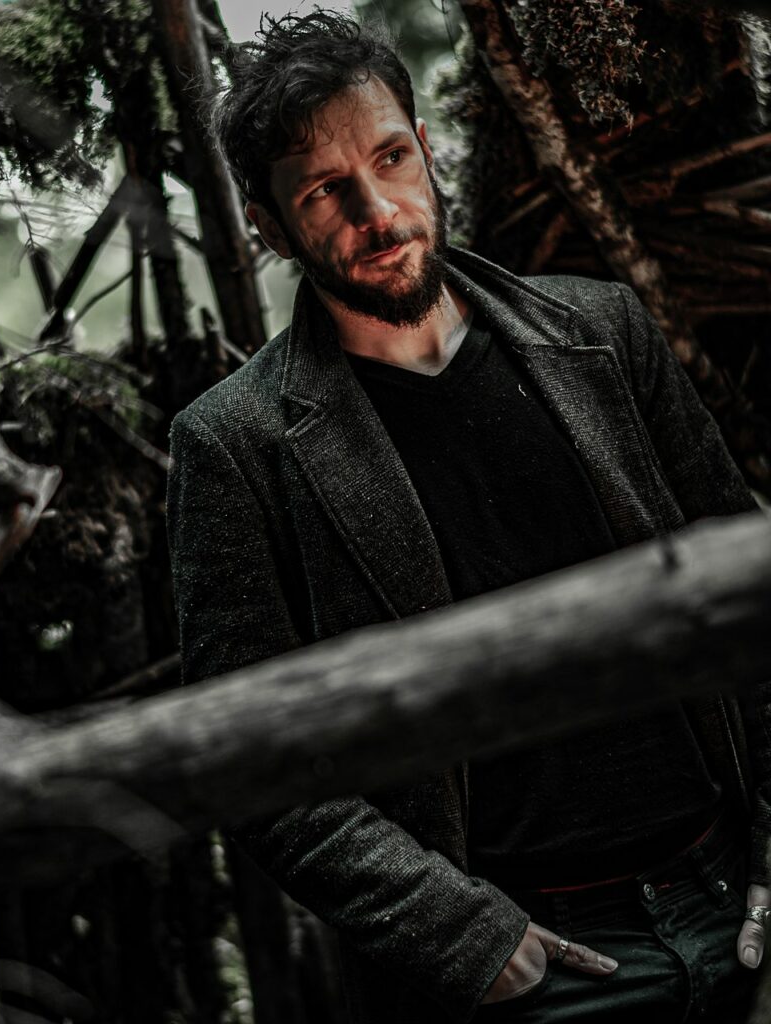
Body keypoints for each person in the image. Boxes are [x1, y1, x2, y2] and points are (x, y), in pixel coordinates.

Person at [165, 11, 771, 1023]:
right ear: (268, 228)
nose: (377, 207)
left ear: (428, 150)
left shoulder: (603, 332)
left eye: (391, 157)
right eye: (323, 191)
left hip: (733, 893)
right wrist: (468, 941)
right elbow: (254, 760)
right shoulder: (235, 445)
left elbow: (750, 601)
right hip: (538, 968)